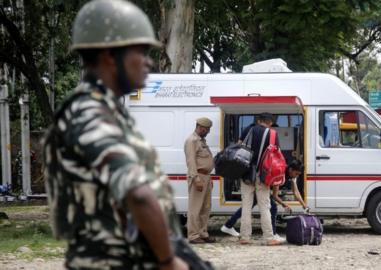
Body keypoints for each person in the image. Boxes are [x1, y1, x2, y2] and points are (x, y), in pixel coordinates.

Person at [42, 0, 187, 269]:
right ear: (110, 56)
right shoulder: (88, 113)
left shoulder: (108, 111)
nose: (148, 62)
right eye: (141, 52)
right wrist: (168, 261)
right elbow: (138, 194)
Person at [221, 160, 308, 241]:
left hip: (263, 186)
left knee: (248, 207)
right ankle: (273, 234)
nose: (296, 176)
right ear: (290, 169)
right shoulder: (280, 172)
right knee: (273, 207)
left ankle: (228, 225)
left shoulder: (292, 175)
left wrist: (304, 205)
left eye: (298, 174)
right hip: (260, 185)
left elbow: (296, 192)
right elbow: (274, 195)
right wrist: (283, 204)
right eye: (296, 173)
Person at [238, 112, 283, 245]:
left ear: (259, 121)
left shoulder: (248, 129)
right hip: (263, 175)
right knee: (264, 206)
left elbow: (238, 146)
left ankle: (245, 237)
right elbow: (276, 154)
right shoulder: (273, 134)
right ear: (269, 122)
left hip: (246, 173)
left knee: (246, 205)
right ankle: (269, 238)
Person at [184, 117, 216, 244]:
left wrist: (208, 177)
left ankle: (203, 233)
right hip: (198, 176)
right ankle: (193, 235)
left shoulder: (201, 140)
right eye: (206, 129)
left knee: (205, 207)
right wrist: (196, 178)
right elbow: (191, 161)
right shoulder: (192, 140)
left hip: (206, 176)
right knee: (195, 208)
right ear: (200, 127)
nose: (208, 131)